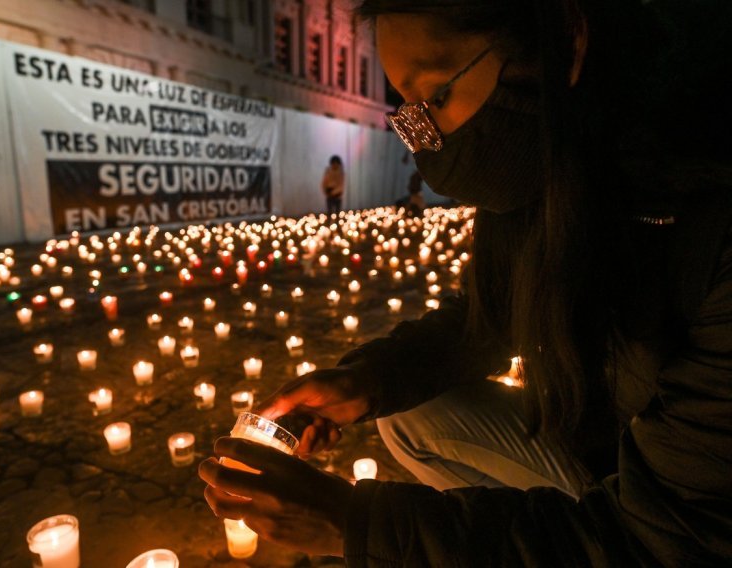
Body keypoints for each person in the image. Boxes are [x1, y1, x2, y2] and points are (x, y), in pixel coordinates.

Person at [200, 0, 732, 565]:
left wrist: (356, 525)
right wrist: (365, 379)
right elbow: (489, 317)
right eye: (406, 113)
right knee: (405, 415)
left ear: (568, 43)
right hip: (603, 444)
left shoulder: (709, 216)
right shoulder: (545, 171)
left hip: (672, 522)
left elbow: (673, 543)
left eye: (433, 98)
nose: (425, 140)